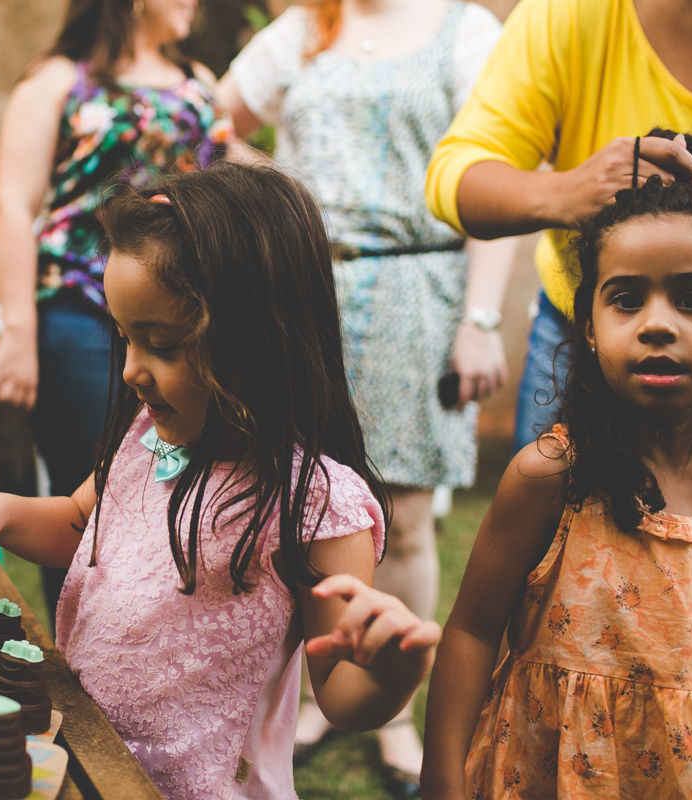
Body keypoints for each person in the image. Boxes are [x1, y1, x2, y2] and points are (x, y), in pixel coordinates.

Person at [0, 164, 441, 799]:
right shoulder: (152, 432)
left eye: (161, 345)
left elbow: (340, 694)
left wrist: (386, 674)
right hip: (85, 764)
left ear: (259, 339)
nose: (131, 370)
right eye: (124, 337)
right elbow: (80, 525)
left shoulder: (316, 505)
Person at [217, 0, 515, 785]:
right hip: (301, 294)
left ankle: (394, 706)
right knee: (296, 501)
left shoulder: (464, 31)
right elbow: (210, 120)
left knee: (405, 515)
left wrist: (481, 320)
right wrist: (274, 189)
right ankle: (318, 690)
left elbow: (495, 172)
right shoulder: (305, 27)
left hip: (417, 293)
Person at [422, 147, 692, 798]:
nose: (656, 324)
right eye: (626, 300)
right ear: (590, 327)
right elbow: (470, 631)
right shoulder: (552, 477)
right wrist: (443, 780)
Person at [0, 0, 233, 622]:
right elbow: (13, 206)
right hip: (78, 313)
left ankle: (155, 637)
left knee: (180, 480)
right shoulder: (57, 80)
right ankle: (74, 650)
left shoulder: (199, 83)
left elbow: (232, 177)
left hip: (187, 319)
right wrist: (17, 329)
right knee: (87, 491)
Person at [425, 0, 692, 453]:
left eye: (689, 301)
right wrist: (567, 193)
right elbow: (454, 174)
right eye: (629, 299)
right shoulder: (575, 12)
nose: (658, 324)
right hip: (582, 357)